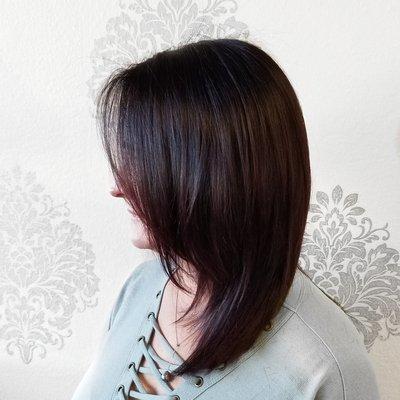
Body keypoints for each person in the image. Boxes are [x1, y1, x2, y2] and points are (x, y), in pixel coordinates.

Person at [71, 38, 380, 399]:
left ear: (209, 176)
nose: (117, 188)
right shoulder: (140, 287)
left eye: (141, 164)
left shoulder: (326, 365)